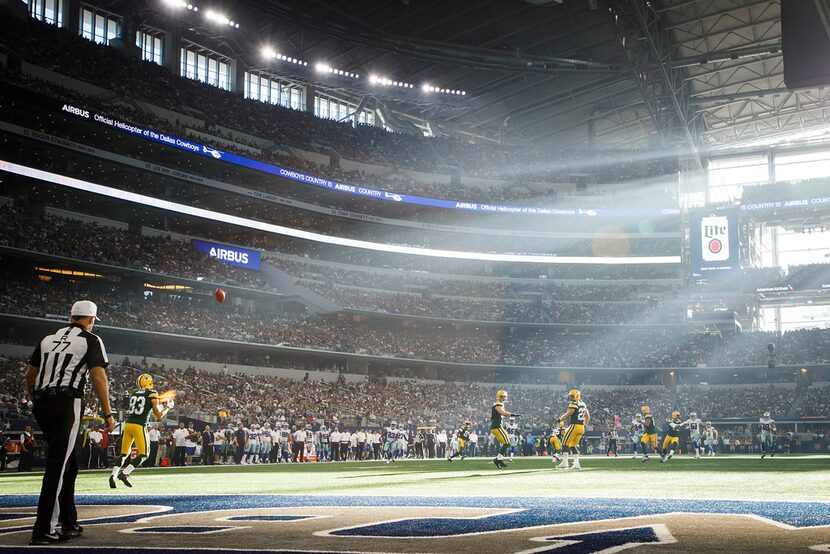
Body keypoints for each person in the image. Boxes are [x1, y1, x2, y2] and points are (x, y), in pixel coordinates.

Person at [24, 300, 115, 544]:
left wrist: (35, 402)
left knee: (69, 462)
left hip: (43, 402)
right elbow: (99, 377)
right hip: (67, 403)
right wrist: (108, 413)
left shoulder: (47, 338)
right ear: (90, 320)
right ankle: (44, 528)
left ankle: (68, 519)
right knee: (58, 466)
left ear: (71, 316)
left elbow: (29, 375)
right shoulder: (91, 339)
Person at [109, 373, 171, 487]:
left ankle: (113, 475)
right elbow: (158, 415)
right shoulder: (152, 393)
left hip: (128, 425)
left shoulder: (134, 392)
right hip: (139, 425)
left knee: (124, 454)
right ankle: (125, 473)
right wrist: (168, 407)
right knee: (144, 454)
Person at [556, 389, 590, 470]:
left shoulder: (574, 403)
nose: (570, 397)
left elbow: (569, 413)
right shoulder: (583, 404)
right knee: (573, 445)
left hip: (574, 426)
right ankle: (576, 463)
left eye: (572, 396)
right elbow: (587, 416)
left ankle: (565, 462)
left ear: (577, 396)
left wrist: (559, 419)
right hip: (581, 427)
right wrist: (585, 426)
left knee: (564, 443)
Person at [490, 389, 521, 469]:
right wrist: (513, 414)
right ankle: (498, 460)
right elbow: (502, 412)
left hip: (497, 426)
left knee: (507, 443)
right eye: (503, 396)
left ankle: (498, 459)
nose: (505, 398)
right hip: (496, 426)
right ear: (500, 397)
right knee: (507, 443)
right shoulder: (498, 404)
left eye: (505, 396)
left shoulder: (500, 404)